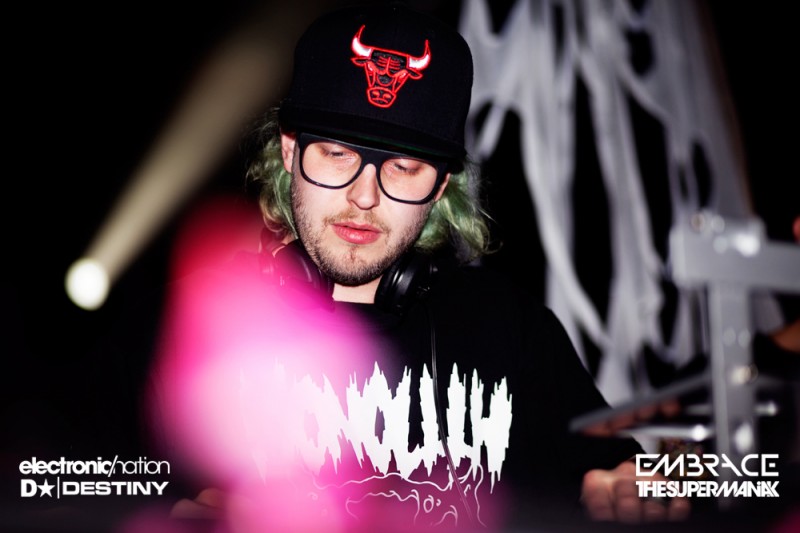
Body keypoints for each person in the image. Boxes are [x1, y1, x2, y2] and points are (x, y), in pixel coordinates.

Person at [145, 2, 690, 531]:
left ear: (440, 186)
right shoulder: (184, 322)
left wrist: (633, 490)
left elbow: (627, 479)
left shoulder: (512, 328)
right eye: (337, 154)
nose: (364, 195)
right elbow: (99, 482)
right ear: (290, 151)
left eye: (403, 167)